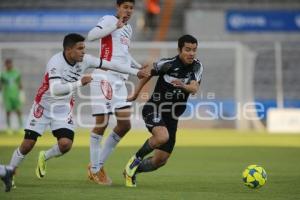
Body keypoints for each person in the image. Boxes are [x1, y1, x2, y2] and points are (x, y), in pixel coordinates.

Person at [7, 33, 149, 186]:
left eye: (84, 48)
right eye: (80, 48)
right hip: (43, 106)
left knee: (65, 144)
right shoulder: (55, 62)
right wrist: (79, 83)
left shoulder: (85, 60)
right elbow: (55, 90)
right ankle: (9, 171)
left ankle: (45, 156)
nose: (83, 51)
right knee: (28, 143)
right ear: (69, 50)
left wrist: (136, 72)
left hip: (63, 109)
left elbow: (110, 64)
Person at [123, 35, 204, 187]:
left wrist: (183, 85)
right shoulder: (168, 64)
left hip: (172, 116)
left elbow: (194, 88)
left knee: (160, 161)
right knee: (161, 136)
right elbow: (148, 73)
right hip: (154, 108)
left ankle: (131, 171)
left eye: (194, 50)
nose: (191, 53)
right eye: (187, 50)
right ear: (180, 50)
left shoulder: (197, 66)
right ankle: (134, 161)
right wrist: (136, 93)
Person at [86, 0, 147, 185]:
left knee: (124, 125)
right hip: (104, 77)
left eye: (131, 8)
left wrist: (138, 66)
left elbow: (124, 54)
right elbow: (91, 36)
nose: (128, 11)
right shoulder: (108, 20)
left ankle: (95, 165)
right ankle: (96, 170)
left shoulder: (128, 29)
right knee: (101, 124)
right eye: (125, 7)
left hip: (120, 81)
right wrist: (114, 25)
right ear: (117, 8)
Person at [0, 59, 24, 135]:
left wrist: (22, 94)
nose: (9, 65)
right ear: (5, 65)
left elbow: (20, 84)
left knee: (18, 111)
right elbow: (1, 85)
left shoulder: (16, 73)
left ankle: (21, 127)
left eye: (10, 64)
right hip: (7, 96)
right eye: (7, 64)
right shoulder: (3, 74)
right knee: (8, 111)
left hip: (16, 95)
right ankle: (9, 127)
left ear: (12, 64)